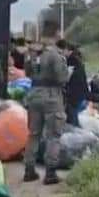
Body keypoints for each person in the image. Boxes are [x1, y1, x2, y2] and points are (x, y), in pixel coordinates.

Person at [23, 38, 69, 185]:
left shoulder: (33, 53)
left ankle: (29, 170)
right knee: (53, 135)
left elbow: (28, 73)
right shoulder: (55, 55)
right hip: (52, 96)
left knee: (33, 134)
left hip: (34, 94)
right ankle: (50, 173)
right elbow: (61, 78)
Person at [64, 42, 89, 127]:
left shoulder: (71, 61)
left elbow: (67, 77)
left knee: (72, 114)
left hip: (74, 92)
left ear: (69, 50)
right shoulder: (77, 59)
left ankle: (76, 130)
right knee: (73, 113)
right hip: (80, 92)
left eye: (64, 50)